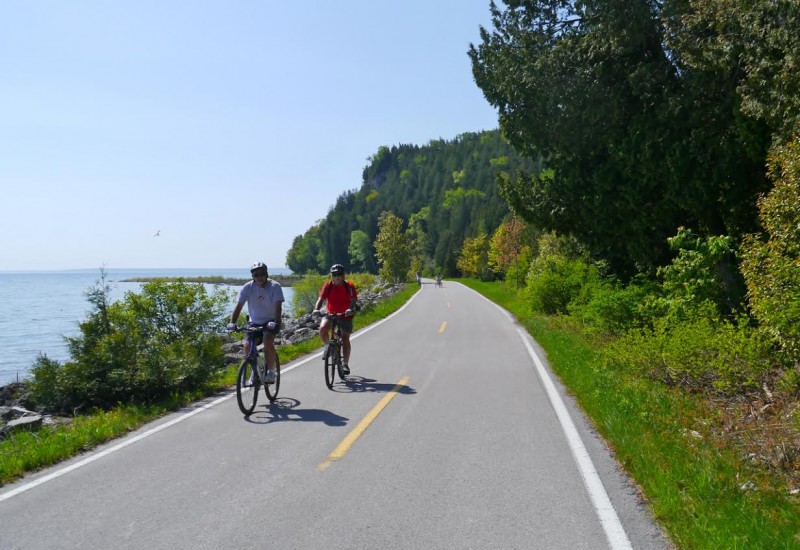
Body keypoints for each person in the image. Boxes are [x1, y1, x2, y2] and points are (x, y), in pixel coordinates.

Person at [227, 262, 283, 384]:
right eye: (256, 275)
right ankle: (255, 371)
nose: (260, 277)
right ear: (253, 276)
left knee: (267, 339)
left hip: (271, 321)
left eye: (262, 274)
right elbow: (239, 306)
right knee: (247, 345)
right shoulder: (248, 287)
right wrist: (232, 323)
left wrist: (276, 322)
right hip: (255, 323)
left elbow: (278, 307)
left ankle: (272, 371)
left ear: (267, 274)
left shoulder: (275, 286)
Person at [312, 264, 358, 375]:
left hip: (345, 315)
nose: (337, 277)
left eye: (339, 275)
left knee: (345, 337)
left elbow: (353, 300)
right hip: (331, 314)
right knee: (322, 329)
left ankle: (345, 363)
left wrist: (349, 309)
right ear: (331, 275)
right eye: (334, 275)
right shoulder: (328, 285)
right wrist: (316, 310)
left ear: (343, 275)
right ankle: (329, 347)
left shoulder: (349, 286)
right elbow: (321, 299)